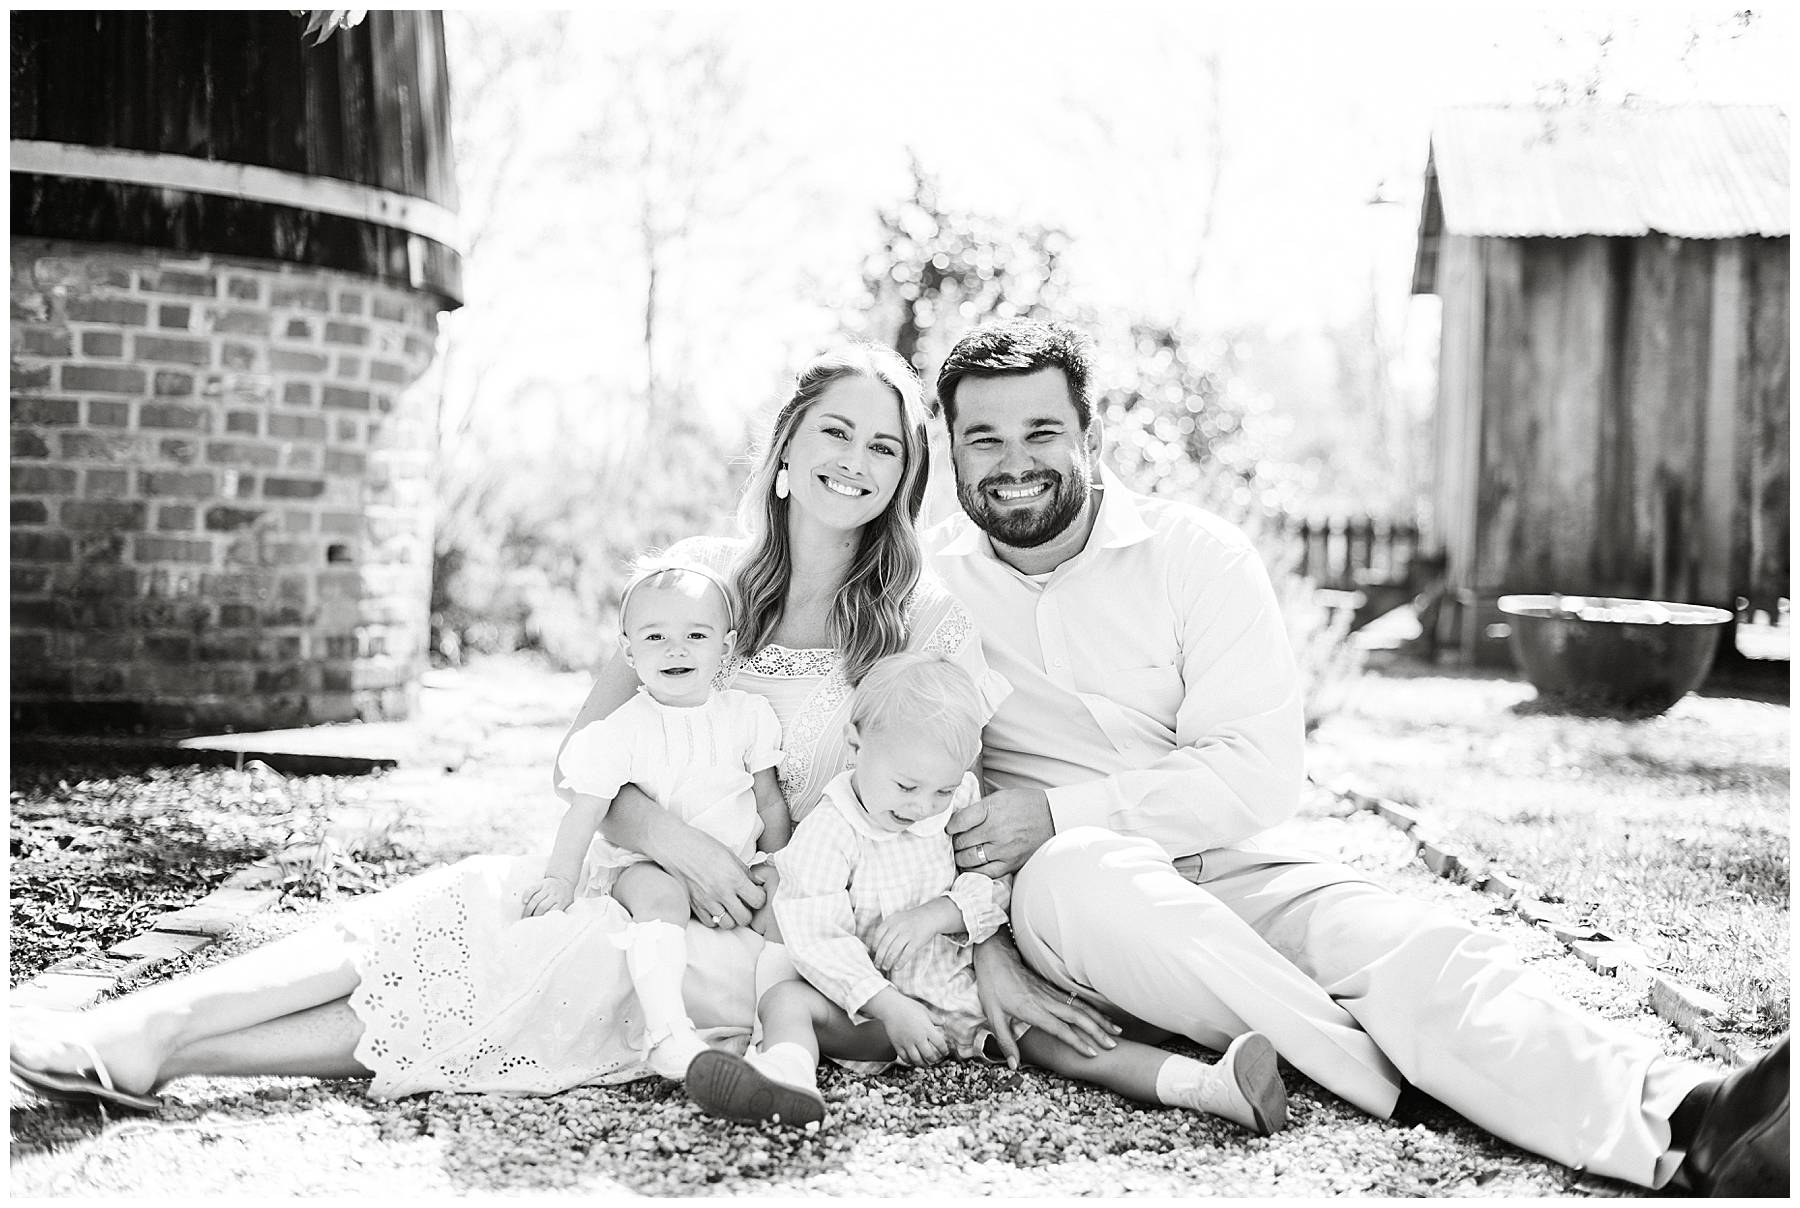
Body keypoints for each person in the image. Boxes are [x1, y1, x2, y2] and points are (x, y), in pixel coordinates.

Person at [9, 343, 1049, 1110]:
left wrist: (985, 946)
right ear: (786, 448)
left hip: (787, 938)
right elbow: (577, 756)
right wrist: (670, 836)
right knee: (466, 902)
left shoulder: (921, 621)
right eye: (836, 430)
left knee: (557, 964)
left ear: (902, 477)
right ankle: (142, 1025)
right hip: (646, 869)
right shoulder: (699, 581)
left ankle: (166, 1052)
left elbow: (964, 805)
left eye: (883, 445)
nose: (855, 459)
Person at [925, 317, 1789, 1197]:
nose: (1013, 461)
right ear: (949, 449)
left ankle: (1694, 1116)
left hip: (1230, 862)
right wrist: (998, 916)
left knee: (1411, 947)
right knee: (1080, 871)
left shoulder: (1197, 558)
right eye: (983, 438)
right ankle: (1402, 1069)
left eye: (1042, 431)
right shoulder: (930, 593)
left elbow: (1258, 775)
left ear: (1092, 437)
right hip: (1068, 907)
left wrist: (1066, 808)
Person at [684, 651, 1286, 1135]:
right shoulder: (831, 831)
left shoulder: (954, 803)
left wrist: (943, 911)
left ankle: (1211, 1088)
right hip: (872, 1011)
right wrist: (888, 1006)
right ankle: (787, 1078)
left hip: (968, 997)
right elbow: (815, 935)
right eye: (906, 786)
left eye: (941, 792)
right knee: (787, 999)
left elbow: (991, 879)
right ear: (856, 742)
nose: (921, 808)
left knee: (1074, 1042)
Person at [530, 561, 789, 1080]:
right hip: (644, 864)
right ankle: (668, 1033)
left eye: (697, 635)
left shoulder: (746, 715)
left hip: (738, 864)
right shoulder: (621, 731)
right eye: (656, 637)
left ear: (726, 645)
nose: (677, 649)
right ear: (629, 652)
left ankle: (774, 1034)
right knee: (661, 897)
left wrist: (781, 863)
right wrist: (560, 879)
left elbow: (769, 802)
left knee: (784, 908)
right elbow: (585, 811)